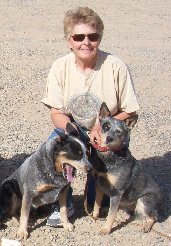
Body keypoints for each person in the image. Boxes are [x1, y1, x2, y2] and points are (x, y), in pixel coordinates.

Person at [42, 7, 139, 227]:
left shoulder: (116, 67)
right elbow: (56, 112)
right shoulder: (60, 67)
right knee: (53, 146)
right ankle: (61, 201)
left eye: (92, 36)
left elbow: (130, 111)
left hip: (108, 128)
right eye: (79, 37)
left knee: (100, 201)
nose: (86, 42)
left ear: (99, 38)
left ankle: (102, 192)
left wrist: (100, 128)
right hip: (74, 127)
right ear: (69, 40)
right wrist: (73, 132)